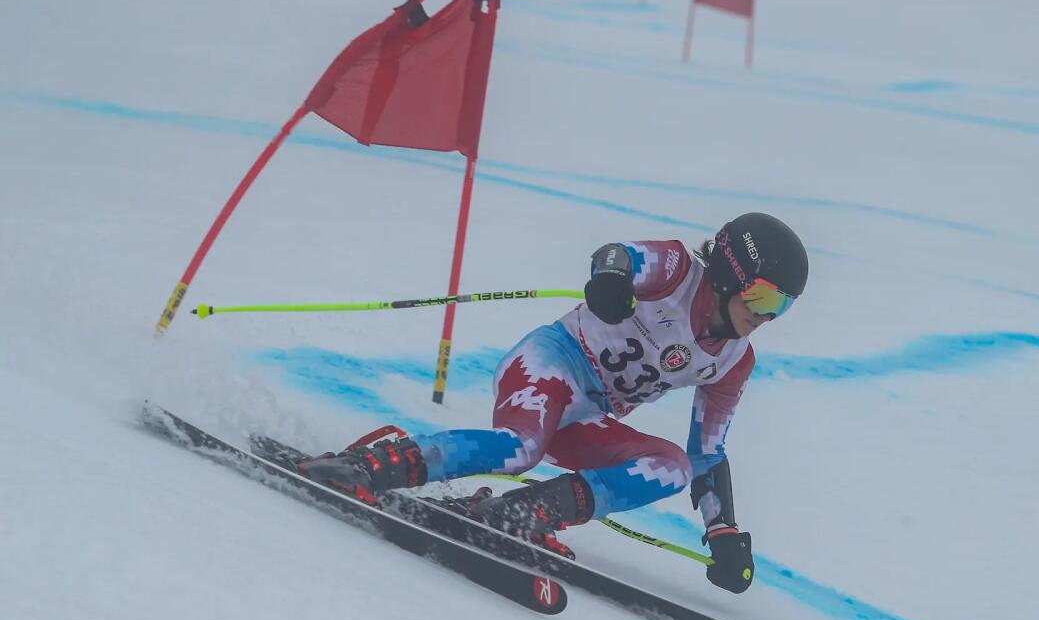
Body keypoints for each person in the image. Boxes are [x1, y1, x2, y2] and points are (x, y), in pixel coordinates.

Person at [299, 212, 808, 593]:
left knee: (671, 466)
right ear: (729, 275)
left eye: (782, 308)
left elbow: (707, 453)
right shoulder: (677, 271)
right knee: (520, 448)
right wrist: (610, 281)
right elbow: (619, 256)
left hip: (586, 413)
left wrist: (723, 531)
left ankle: (523, 513)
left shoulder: (734, 361)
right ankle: (371, 465)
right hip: (550, 365)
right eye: (763, 298)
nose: (766, 316)